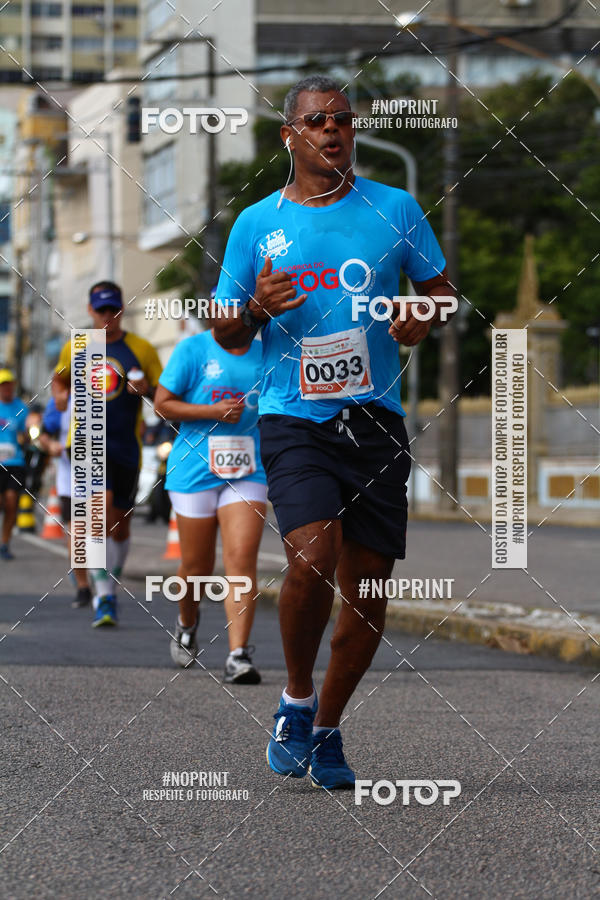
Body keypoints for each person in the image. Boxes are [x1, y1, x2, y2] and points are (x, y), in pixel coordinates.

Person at [213, 75, 456, 788]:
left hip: (377, 420)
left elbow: (440, 293)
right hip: (294, 415)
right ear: (288, 135)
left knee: (370, 587)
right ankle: (294, 698)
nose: (334, 131)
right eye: (318, 121)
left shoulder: (397, 208)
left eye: (344, 121)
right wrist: (254, 308)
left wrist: (425, 317)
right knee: (311, 557)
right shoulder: (257, 223)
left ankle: (326, 728)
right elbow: (226, 334)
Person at [154, 321, 266, 683]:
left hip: (249, 468)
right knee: (196, 566)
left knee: (241, 560)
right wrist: (212, 411)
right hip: (194, 470)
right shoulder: (193, 350)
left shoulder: (269, 350)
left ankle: (238, 655)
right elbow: (162, 405)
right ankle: (187, 623)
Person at [52, 281, 162, 626]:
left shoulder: (142, 348)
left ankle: (108, 581)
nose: (106, 317)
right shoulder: (77, 346)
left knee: (119, 525)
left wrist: (146, 390)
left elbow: (163, 394)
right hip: (85, 442)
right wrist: (58, 393)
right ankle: (105, 598)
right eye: (100, 311)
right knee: (97, 518)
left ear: (121, 311)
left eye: (112, 310)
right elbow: (59, 379)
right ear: (90, 311)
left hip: (126, 446)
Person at [39, 394, 92, 608]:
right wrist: (50, 446)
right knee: (77, 531)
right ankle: (83, 586)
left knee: (103, 531)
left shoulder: (107, 393)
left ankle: (102, 584)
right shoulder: (61, 399)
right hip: (71, 478)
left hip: (105, 475)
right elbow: (44, 435)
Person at [0, 369, 28, 560]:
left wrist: (26, 436)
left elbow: (28, 433)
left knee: (11, 502)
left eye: (10, 385)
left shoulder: (21, 408)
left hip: (15, 461)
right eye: (3, 385)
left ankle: (4, 543)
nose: (7, 389)